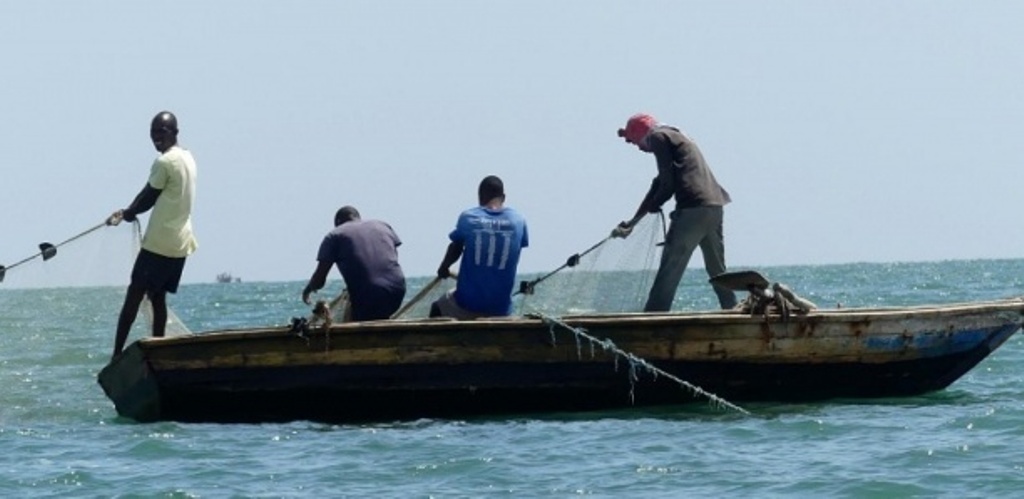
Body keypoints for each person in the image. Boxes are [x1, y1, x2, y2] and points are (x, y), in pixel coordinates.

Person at [611, 112, 737, 312]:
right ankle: (732, 310)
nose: (635, 146)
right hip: (714, 206)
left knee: (671, 267)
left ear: (639, 133)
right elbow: (660, 183)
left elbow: (667, 184)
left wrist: (657, 202)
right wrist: (633, 222)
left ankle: (654, 318)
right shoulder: (675, 135)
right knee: (717, 269)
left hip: (692, 209)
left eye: (632, 140)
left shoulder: (657, 137)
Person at [107, 110, 198, 359]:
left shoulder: (166, 162)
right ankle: (159, 351)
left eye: (162, 132)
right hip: (181, 243)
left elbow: (148, 196)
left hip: (160, 243)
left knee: (134, 294)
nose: (157, 138)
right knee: (157, 296)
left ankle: (116, 355)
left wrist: (127, 213)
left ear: (174, 133)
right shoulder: (188, 158)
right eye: (153, 133)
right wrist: (128, 211)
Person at [430, 175, 529, 319]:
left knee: (437, 307)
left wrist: (444, 267)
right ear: (504, 197)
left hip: (466, 306)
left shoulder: (468, 218)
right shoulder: (518, 220)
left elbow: (455, 247)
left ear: (480, 196)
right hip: (501, 310)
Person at [302, 206, 407, 322]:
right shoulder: (383, 226)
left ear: (337, 223)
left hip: (368, 294)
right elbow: (391, 257)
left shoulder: (334, 235)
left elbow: (319, 279)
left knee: (356, 322)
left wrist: (308, 289)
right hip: (398, 290)